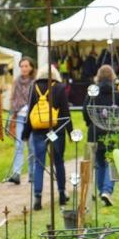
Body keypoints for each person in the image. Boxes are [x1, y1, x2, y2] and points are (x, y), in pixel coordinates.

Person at [22, 65, 74, 211]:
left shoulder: (34, 87)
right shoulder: (59, 88)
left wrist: (25, 133)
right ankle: (62, 193)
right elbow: (65, 112)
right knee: (58, 162)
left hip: (38, 130)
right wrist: (70, 132)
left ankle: (37, 196)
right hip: (56, 130)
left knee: (39, 163)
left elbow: (30, 112)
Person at [82, 65, 119, 207]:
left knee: (100, 163)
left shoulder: (93, 91)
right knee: (112, 161)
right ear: (113, 76)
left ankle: (102, 190)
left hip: (95, 131)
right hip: (112, 131)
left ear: (98, 76)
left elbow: (85, 110)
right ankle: (106, 190)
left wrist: (91, 123)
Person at [5, 57, 35, 185]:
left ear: (31, 67)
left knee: (32, 146)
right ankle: (16, 173)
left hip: (32, 118)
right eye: (21, 66)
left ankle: (33, 173)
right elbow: (13, 98)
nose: (24, 68)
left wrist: (28, 106)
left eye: (26, 66)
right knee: (19, 145)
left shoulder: (35, 82)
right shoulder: (16, 82)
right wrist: (15, 109)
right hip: (19, 116)